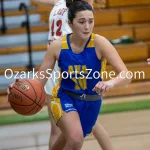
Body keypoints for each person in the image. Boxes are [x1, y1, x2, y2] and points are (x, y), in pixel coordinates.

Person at [31, 1, 131, 149]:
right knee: (75, 139)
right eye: (82, 22)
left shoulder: (100, 43)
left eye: (91, 21)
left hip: (91, 101)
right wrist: (22, 86)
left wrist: (111, 82)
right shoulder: (58, 46)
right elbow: (40, 78)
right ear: (70, 23)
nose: (87, 26)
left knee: (68, 139)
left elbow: (126, 75)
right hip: (65, 97)